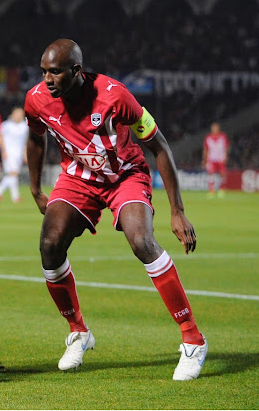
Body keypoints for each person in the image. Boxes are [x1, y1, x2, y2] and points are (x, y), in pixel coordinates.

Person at [24, 39, 206, 381]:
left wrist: (177, 210)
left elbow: (159, 145)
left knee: (142, 241)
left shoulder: (115, 95)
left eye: (55, 72)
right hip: (77, 177)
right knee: (49, 245)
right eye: (43, 71)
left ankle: (193, 339)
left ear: (76, 71)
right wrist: (35, 188)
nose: (47, 79)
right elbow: (36, 139)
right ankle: (78, 332)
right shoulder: (36, 100)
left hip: (125, 175)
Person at [0, 107, 29, 203]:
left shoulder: (24, 126)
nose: (19, 116)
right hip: (9, 152)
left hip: (19, 153)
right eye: (17, 114)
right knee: (13, 173)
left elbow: (25, 142)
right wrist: (3, 151)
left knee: (13, 174)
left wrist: (25, 154)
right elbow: (0, 138)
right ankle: (14, 197)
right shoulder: (6, 125)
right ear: (13, 114)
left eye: (21, 114)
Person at [203, 122, 229, 199]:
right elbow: (206, 149)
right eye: (214, 128)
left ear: (218, 129)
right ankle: (211, 191)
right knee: (211, 174)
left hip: (221, 158)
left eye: (216, 128)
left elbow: (226, 147)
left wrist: (226, 156)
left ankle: (222, 190)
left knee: (222, 174)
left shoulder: (223, 137)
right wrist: (205, 159)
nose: (215, 129)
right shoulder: (208, 138)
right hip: (211, 159)